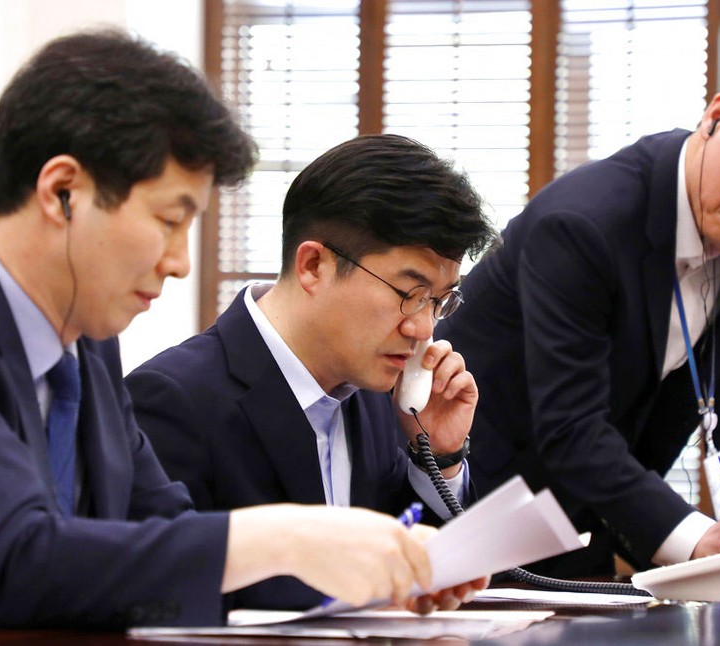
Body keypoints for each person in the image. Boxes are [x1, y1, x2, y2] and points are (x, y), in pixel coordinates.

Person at [0, 30, 462, 639]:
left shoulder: (88, 345)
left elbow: (164, 537)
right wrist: (289, 534)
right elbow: (13, 558)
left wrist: (386, 570)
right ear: (63, 192)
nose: (180, 261)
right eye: (169, 220)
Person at [436, 55, 720, 578]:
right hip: (482, 511)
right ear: (718, 115)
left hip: (584, 510)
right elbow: (570, 426)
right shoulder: (584, 223)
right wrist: (695, 536)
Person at [126, 133, 499, 610]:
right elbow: (164, 594)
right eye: (410, 293)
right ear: (313, 265)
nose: (422, 327)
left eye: (440, 301)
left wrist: (438, 455)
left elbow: (419, 569)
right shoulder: (173, 398)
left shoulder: (373, 391)